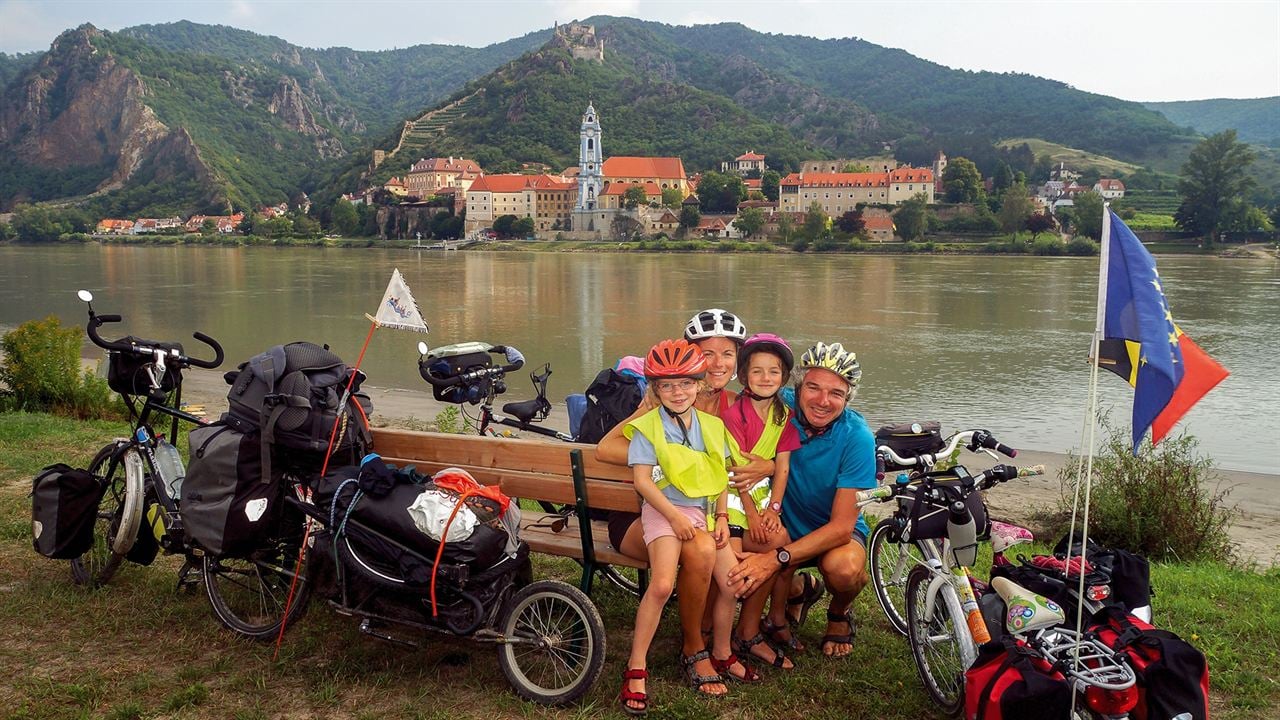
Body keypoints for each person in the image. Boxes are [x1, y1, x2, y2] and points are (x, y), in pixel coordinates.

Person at [596, 309, 776, 682]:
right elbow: (606, 450)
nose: (718, 363)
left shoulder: (728, 407)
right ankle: (693, 647)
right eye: (708, 353)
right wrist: (669, 452)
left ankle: (713, 642)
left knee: (725, 561)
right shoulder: (659, 401)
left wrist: (770, 467)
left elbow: (732, 464)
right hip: (641, 516)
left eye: (727, 354)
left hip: (702, 512)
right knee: (704, 551)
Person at [727, 342, 875, 658]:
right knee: (735, 556)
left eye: (836, 393)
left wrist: (775, 558)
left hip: (830, 533)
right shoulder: (780, 406)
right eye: (813, 388)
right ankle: (798, 590)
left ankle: (838, 614)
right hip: (780, 523)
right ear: (797, 386)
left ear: (848, 397)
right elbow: (727, 401)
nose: (822, 401)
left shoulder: (857, 437)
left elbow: (840, 529)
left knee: (844, 569)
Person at [619, 339, 744, 714]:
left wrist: (721, 517)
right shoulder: (647, 427)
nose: (678, 392)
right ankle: (636, 665)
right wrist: (672, 517)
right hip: (662, 511)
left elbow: (720, 475)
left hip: (700, 516)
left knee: (732, 581)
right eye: (667, 385)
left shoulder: (712, 426)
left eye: (686, 383)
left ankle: (721, 651)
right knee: (661, 584)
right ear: (655, 389)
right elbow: (643, 481)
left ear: (700, 383)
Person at [713, 333, 808, 672]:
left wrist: (773, 510)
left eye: (773, 372)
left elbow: (781, 467)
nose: (766, 378)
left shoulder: (785, 417)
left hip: (763, 497)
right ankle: (718, 640)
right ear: (744, 376)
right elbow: (735, 471)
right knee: (734, 567)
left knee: (778, 544)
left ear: (783, 377)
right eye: (757, 371)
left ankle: (749, 630)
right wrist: (752, 514)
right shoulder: (734, 415)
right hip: (731, 498)